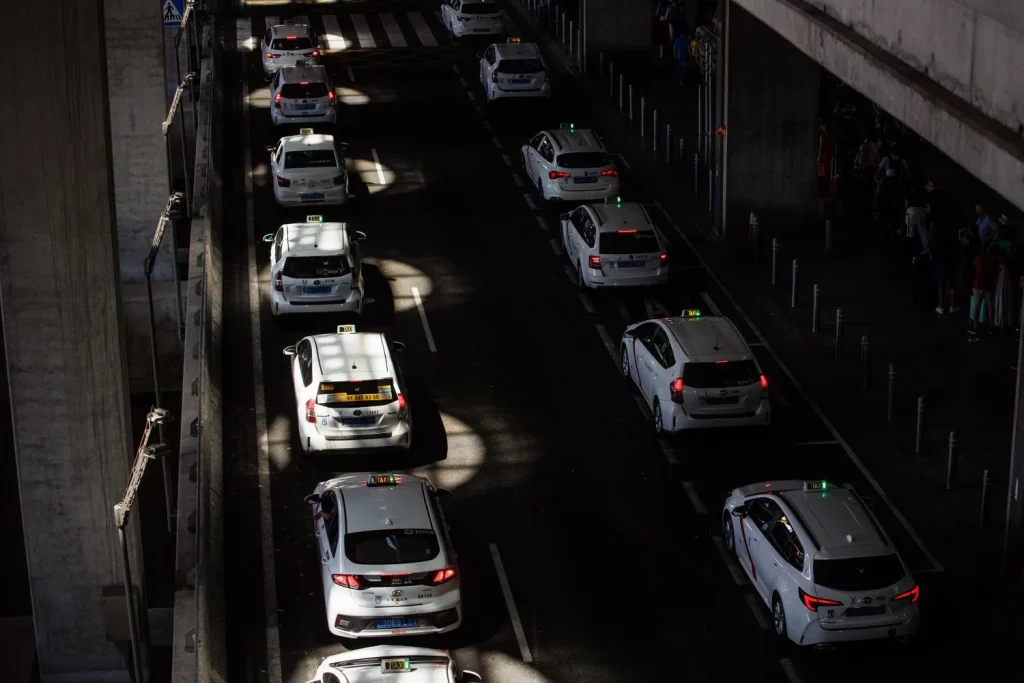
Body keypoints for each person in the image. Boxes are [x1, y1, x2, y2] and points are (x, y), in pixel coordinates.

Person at [969, 245, 1000, 338]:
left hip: (978, 285)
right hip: (989, 286)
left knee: (977, 306)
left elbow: (974, 268)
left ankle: (975, 326)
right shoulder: (995, 260)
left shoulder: (978, 258)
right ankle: (990, 326)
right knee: (990, 306)